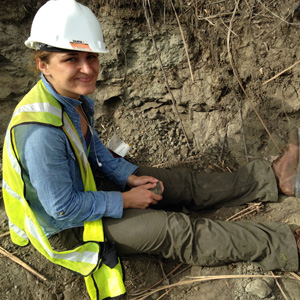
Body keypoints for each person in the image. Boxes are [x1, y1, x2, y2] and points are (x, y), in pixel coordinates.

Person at [2, 0, 300, 299]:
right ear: (43, 63)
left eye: (91, 56)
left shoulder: (69, 97)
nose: (87, 68)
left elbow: (91, 149)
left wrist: (128, 177)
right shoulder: (40, 133)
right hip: (69, 228)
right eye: (71, 59)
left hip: (87, 187)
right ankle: (284, 245)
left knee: (178, 182)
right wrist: (124, 199)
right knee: (177, 230)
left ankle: (271, 179)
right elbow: (63, 208)